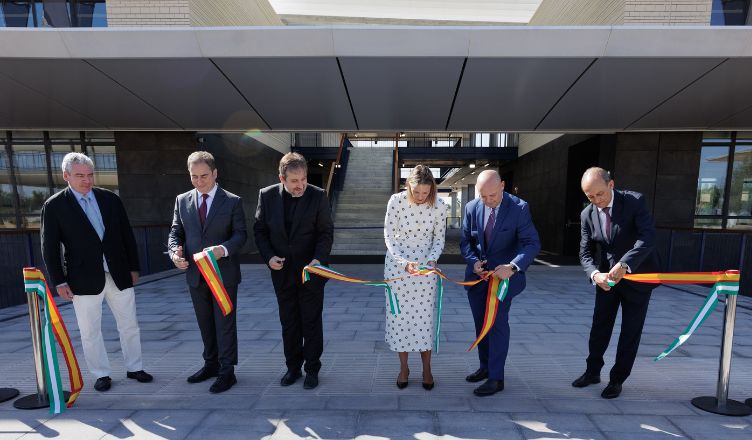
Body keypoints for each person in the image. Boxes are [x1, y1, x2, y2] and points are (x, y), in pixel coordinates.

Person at [41, 152, 152, 392]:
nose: (87, 180)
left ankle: (135, 367)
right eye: (80, 175)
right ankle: (101, 374)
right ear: (66, 176)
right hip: (83, 278)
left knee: (130, 324)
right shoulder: (55, 206)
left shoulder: (110, 199)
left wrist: (134, 266)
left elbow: (126, 236)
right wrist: (59, 281)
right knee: (90, 330)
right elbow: (49, 248)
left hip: (119, 273)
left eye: (90, 175)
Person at [573, 167, 660, 399]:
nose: (596, 201)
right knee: (599, 326)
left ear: (611, 185)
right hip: (607, 280)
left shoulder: (635, 201)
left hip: (637, 276)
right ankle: (592, 372)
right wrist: (594, 275)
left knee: (630, 331)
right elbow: (585, 253)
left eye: (599, 194)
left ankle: (617, 379)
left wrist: (624, 264)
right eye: (590, 197)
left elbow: (647, 237)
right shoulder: (587, 215)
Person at [168, 151, 247, 393]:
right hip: (195, 274)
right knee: (205, 323)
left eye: (204, 176)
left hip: (223, 274)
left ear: (215, 173)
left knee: (224, 323)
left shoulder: (232, 201)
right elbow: (175, 232)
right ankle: (210, 364)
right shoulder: (182, 200)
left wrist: (223, 249)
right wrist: (174, 252)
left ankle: (227, 372)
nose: (200, 182)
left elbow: (241, 235)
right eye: (194, 177)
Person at [253, 152, 333, 390]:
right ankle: (292, 368)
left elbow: (326, 233)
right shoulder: (266, 196)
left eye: (303, 179)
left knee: (311, 322)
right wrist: (268, 258)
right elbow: (260, 231)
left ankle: (312, 370)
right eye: (294, 181)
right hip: (282, 273)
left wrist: (319, 259)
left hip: (312, 273)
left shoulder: (318, 196)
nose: (300, 185)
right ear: (282, 178)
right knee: (288, 322)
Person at [460, 169, 540, 396]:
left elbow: (531, 243)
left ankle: (496, 378)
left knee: (496, 324)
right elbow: (466, 241)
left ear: (502, 186)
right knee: (480, 324)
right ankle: (484, 367)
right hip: (477, 278)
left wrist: (512, 267)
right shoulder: (471, 207)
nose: (487, 201)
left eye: (492, 196)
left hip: (504, 279)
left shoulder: (519, 208)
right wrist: (473, 261)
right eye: (482, 196)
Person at [383, 165, 447, 390]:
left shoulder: (440, 206)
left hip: (425, 269)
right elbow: (389, 237)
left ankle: (427, 369)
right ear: (408, 186)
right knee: (399, 319)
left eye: (425, 193)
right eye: (416, 192)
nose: (421, 197)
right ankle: (403, 368)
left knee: (423, 320)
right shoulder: (396, 201)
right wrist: (402, 262)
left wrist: (431, 260)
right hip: (398, 267)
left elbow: (439, 238)